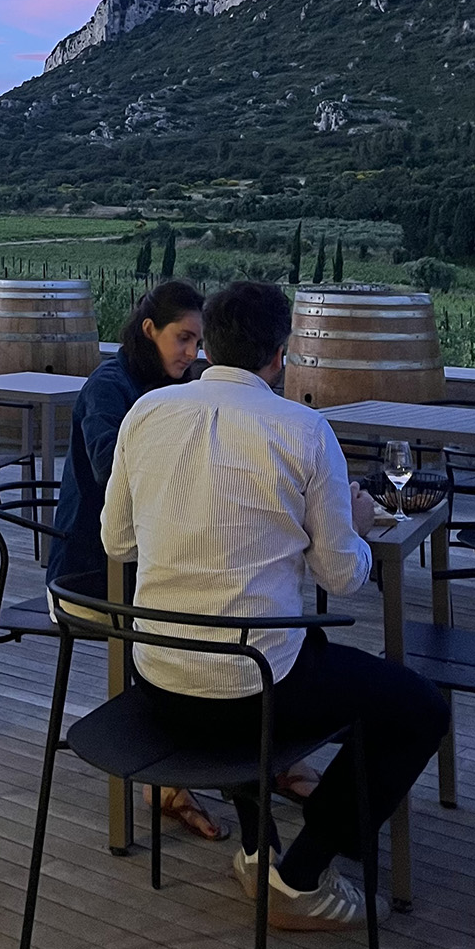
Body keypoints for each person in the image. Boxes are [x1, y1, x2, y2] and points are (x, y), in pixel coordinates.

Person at [100, 280, 450, 930]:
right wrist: (358, 521)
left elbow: (116, 541)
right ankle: (301, 873)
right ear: (280, 355)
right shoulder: (304, 430)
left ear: (211, 345)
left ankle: (259, 846)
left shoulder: (144, 415)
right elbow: (341, 577)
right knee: (417, 707)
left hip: (158, 680)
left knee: (277, 646)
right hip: (250, 692)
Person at [47, 280, 314, 840]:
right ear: (150, 331)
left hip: (144, 571)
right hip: (91, 576)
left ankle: (262, 761)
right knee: (212, 629)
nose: (192, 354)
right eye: (183, 339)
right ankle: (181, 776)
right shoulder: (110, 388)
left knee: (218, 619)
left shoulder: (172, 389)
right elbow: (109, 476)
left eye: (199, 342)